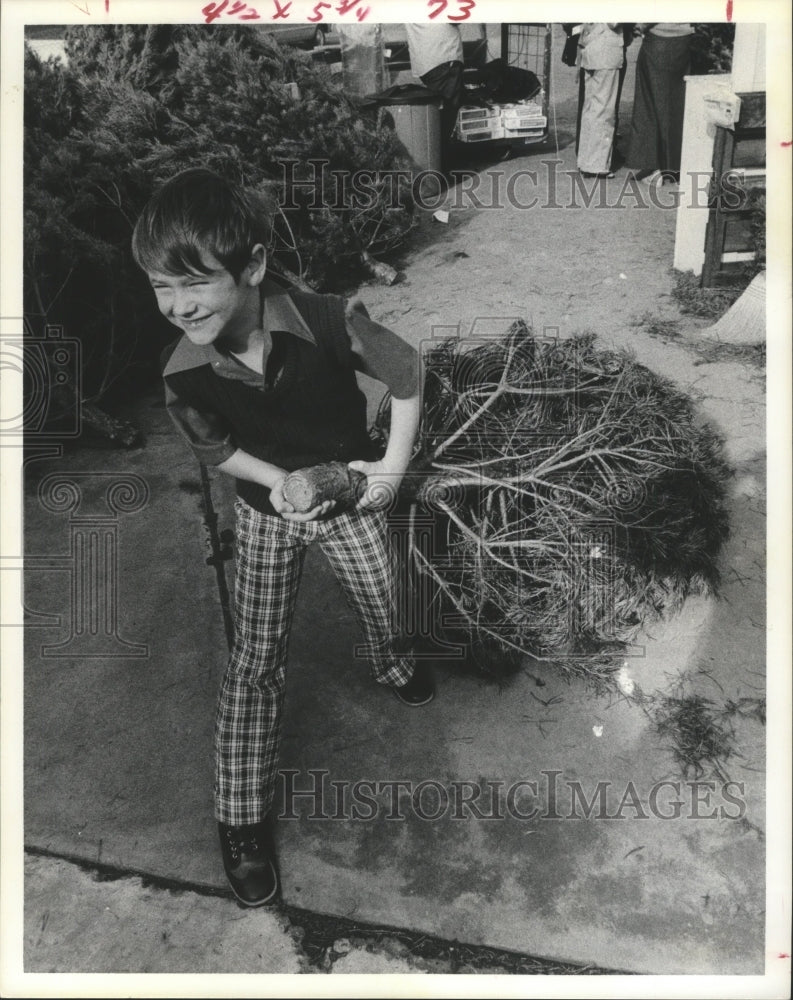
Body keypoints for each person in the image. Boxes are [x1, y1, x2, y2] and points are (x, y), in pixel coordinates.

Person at [132, 168, 430, 908]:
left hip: (352, 497)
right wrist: (278, 485)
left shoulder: (329, 319)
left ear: (254, 267)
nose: (177, 306)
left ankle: (393, 664)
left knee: (386, 597)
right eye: (160, 289)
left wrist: (388, 472)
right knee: (255, 664)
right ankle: (239, 820)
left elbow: (408, 374)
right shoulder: (183, 372)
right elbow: (214, 450)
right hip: (267, 517)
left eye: (193, 283)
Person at [626, 23, 694, 182]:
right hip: (684, 40)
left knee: (648, 103)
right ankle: (674, 165)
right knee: (677, 103)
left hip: (659, 39)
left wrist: (640, 25)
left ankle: (654, 167)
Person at [574, 23, 632, 178]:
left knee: (590, 107)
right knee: (604, 108)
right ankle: (597, 165)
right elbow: (614, 22)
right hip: (607, 52)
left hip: (590, 48)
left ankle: (585, 161)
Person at [405, 23, 465, 146]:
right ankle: (439, 156)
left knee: (436, 109)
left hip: (425, 61)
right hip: (444, 54)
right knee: (447, 110)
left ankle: (433, 152)